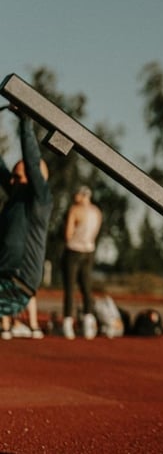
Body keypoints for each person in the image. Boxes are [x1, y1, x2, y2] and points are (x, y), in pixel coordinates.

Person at [0, 114, 54, 339]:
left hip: (16, 283)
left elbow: (32, 162)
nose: (11, 181)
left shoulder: (39, 199)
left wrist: (24, 121)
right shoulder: (15, 196)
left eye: (17, 177)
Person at [61, 185, 102, 340]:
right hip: (89, 251)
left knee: (70, 288)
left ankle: (67, 324)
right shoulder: (97, 212)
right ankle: (88, 324)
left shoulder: (74, 210)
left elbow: (67, 234)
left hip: (73, 250)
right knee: (87, 288)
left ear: (83, 195)